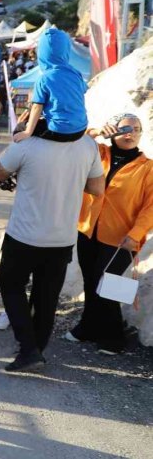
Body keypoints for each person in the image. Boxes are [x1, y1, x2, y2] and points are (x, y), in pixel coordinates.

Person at [0, 118, 104, 372]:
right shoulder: (87, 145)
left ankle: (28, 349)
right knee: (46, 296)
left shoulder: (28, 142)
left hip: (24, 236)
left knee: (10, 284)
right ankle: (36, 350)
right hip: (62, 237)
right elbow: (97, 187)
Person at [66, 114, 153, 355]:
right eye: (125, 127)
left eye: (136, 129)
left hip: (122, 238)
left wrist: (136, 234)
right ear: (114, 129)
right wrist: (94, 132)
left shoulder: (147, 168)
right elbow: (71, 145)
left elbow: (150, 208)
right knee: (91, 281)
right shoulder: (98, 153)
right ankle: (88, 327)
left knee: (107, 285)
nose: (130, 133)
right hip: (88, 230)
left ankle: (114, 337)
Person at [13, 28, 87, 143]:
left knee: (19, 128)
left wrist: (28, 131)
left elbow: (37, 107)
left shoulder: (44, 78)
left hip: (59, 131)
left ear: (42, 53)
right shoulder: (75, 73)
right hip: (81, 128)